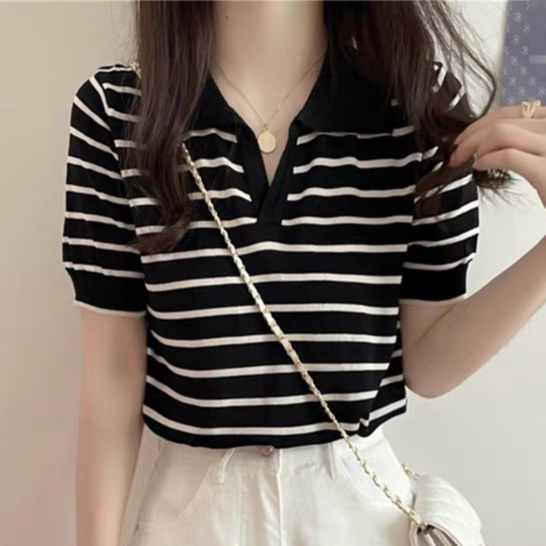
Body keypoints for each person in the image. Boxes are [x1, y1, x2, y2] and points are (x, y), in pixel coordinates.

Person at [61, 2, 546, 546]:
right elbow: (113, 373)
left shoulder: (414, 103)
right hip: (193, 516)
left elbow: (428, 364)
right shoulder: (118, 112)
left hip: (359, 516)